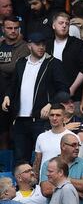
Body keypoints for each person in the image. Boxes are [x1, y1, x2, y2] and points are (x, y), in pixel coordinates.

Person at [2, 32, 68, 165]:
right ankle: (22, 186)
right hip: (19, 119)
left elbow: (64, 90)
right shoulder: (21, 62)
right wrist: (7, 96)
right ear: (29, 45)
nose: (41, 47)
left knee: (43, 159)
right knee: (20, 160)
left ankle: (41, 185)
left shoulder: (53, 63)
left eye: (43, 44)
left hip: (40, 120)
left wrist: (50, 104)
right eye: (37, 44)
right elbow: (13, 85)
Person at [46, 13, 83, 101]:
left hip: (73, 95)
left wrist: (72, 89)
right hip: (51, 94)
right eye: (61, 23)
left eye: (67, 24)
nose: (64, 26)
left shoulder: (78, 44)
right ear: (53, 26)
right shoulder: (47, 44)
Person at [0, 16, 29, 150]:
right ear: (3, 29)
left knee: (13, 133)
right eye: (9, 28)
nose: (13, 31)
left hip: (15, 94)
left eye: (16, 28)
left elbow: (15, 67)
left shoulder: (24, 46)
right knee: (2, 132)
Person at [33, 103, 74, 181]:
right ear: (48, 116)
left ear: (64, 117)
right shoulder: (41, 137)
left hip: (64, 182)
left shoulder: (72, 137)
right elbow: (37, 161)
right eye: (52, 115)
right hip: (44, 183)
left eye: (58, 115)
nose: (54, 118)